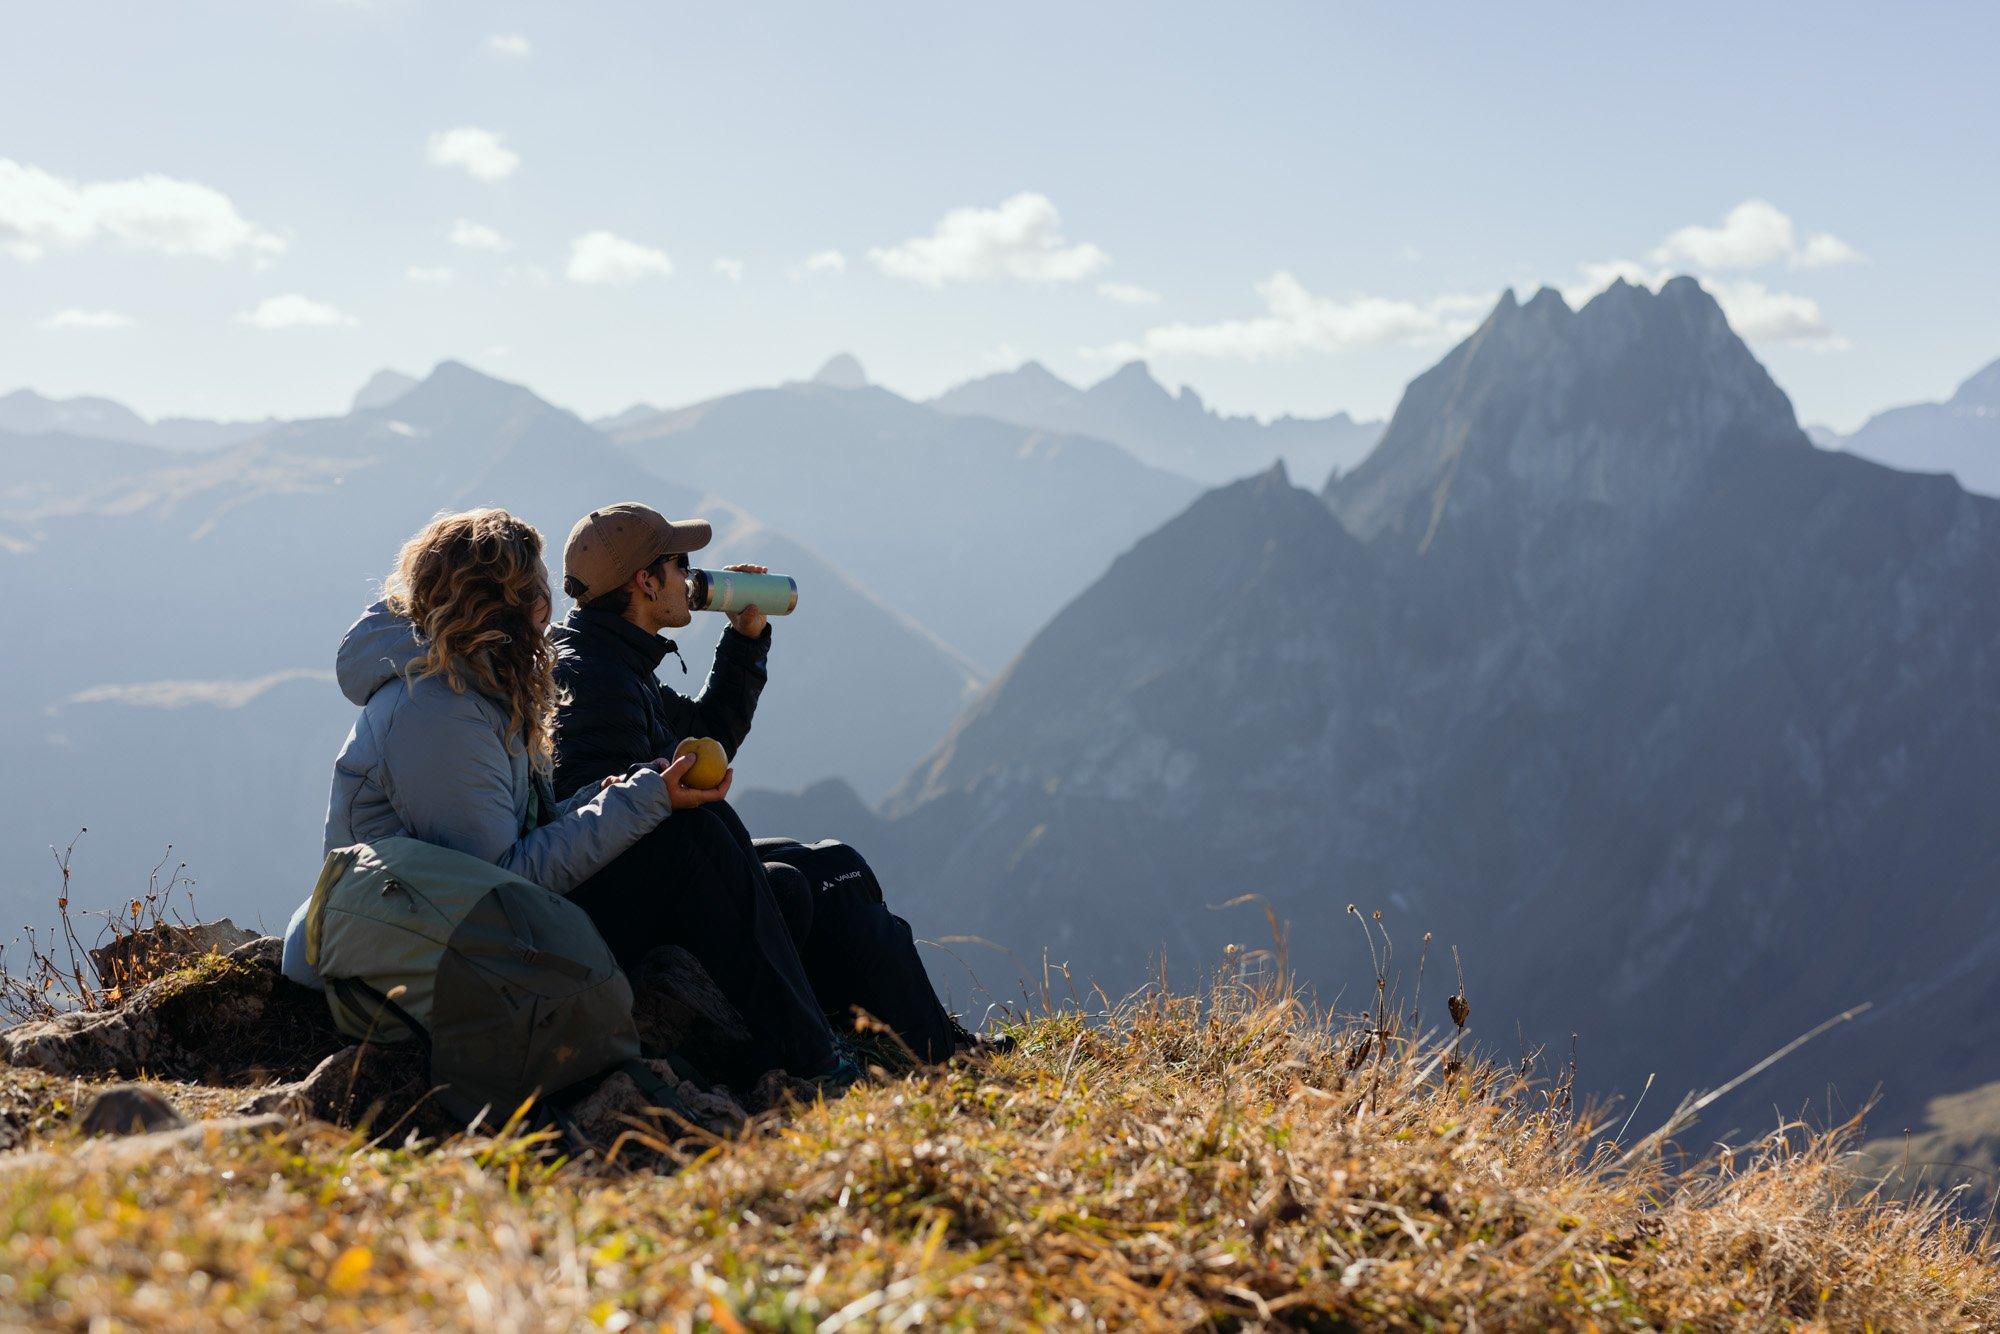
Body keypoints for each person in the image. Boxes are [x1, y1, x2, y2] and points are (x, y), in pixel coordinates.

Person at [279, 507, 845, 1085]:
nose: (548, 605)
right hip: (433, 954)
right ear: (497, 602)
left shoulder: (475, 688)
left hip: (459, 929)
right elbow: (503, 880)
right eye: (535, 589)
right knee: (691, 838)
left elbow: (514, 840)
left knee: (707, 825)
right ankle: (814, 1065)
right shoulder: (436, 713)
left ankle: (800, 1050)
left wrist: (633, 790)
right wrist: (641, 801)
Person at [550, 502, 975, 1062]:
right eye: (679, 564)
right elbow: (597, 817)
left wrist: (745, 640)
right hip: (633, 908)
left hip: (659, 876)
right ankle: (923, 1055)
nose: (691, 577)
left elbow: (705, 738)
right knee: (821, 880)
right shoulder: (597, 680)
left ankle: (929, 1043)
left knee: (828, 862)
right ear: (646, 582)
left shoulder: (610, 661)